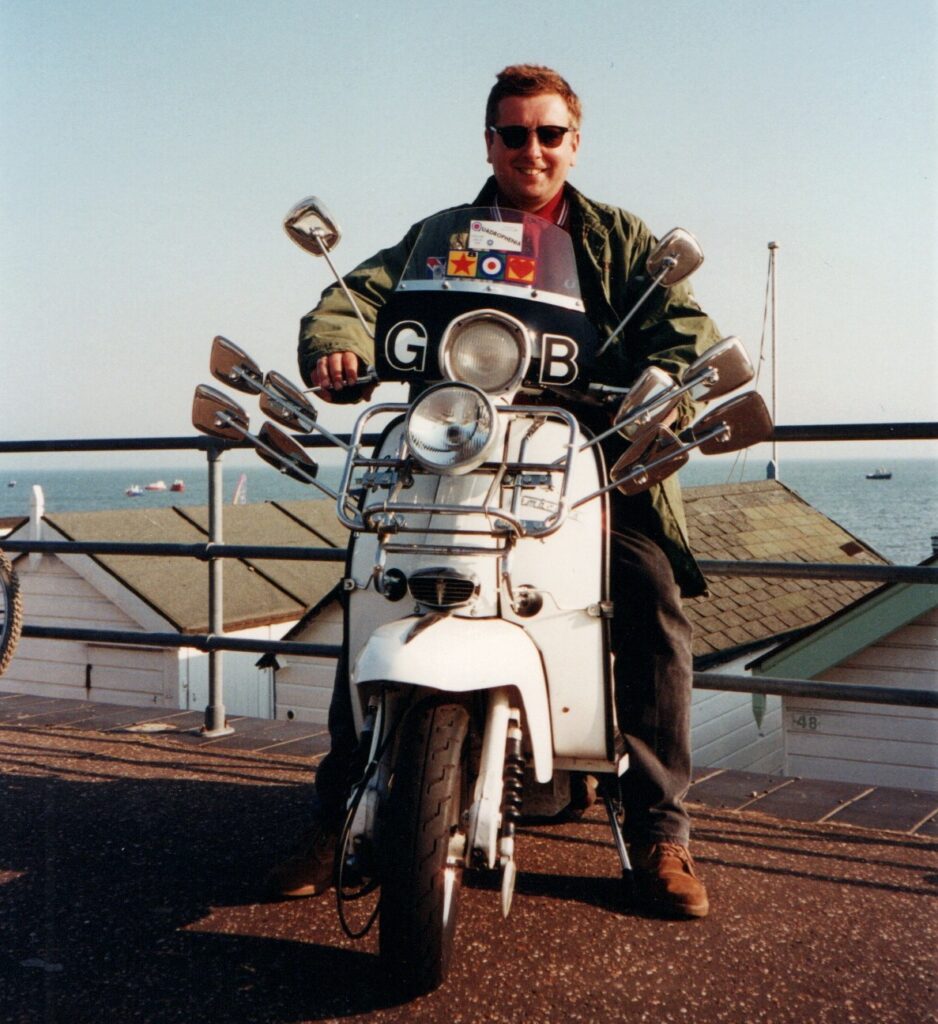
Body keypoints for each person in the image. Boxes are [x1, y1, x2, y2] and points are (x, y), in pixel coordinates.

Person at [269, 64, 721, 919]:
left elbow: (684, 327)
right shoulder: (443, 235)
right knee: (374, 579)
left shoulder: (619, 241)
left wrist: (669, 387)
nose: (532, 149)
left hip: (586, 454)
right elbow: (356, 296)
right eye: (514, 133)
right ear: (490, 141)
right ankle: (337, 812)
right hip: (457, 450)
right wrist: (334, 344)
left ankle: (663, 828)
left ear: (574, 143)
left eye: (550, 134)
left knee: (650, 593)